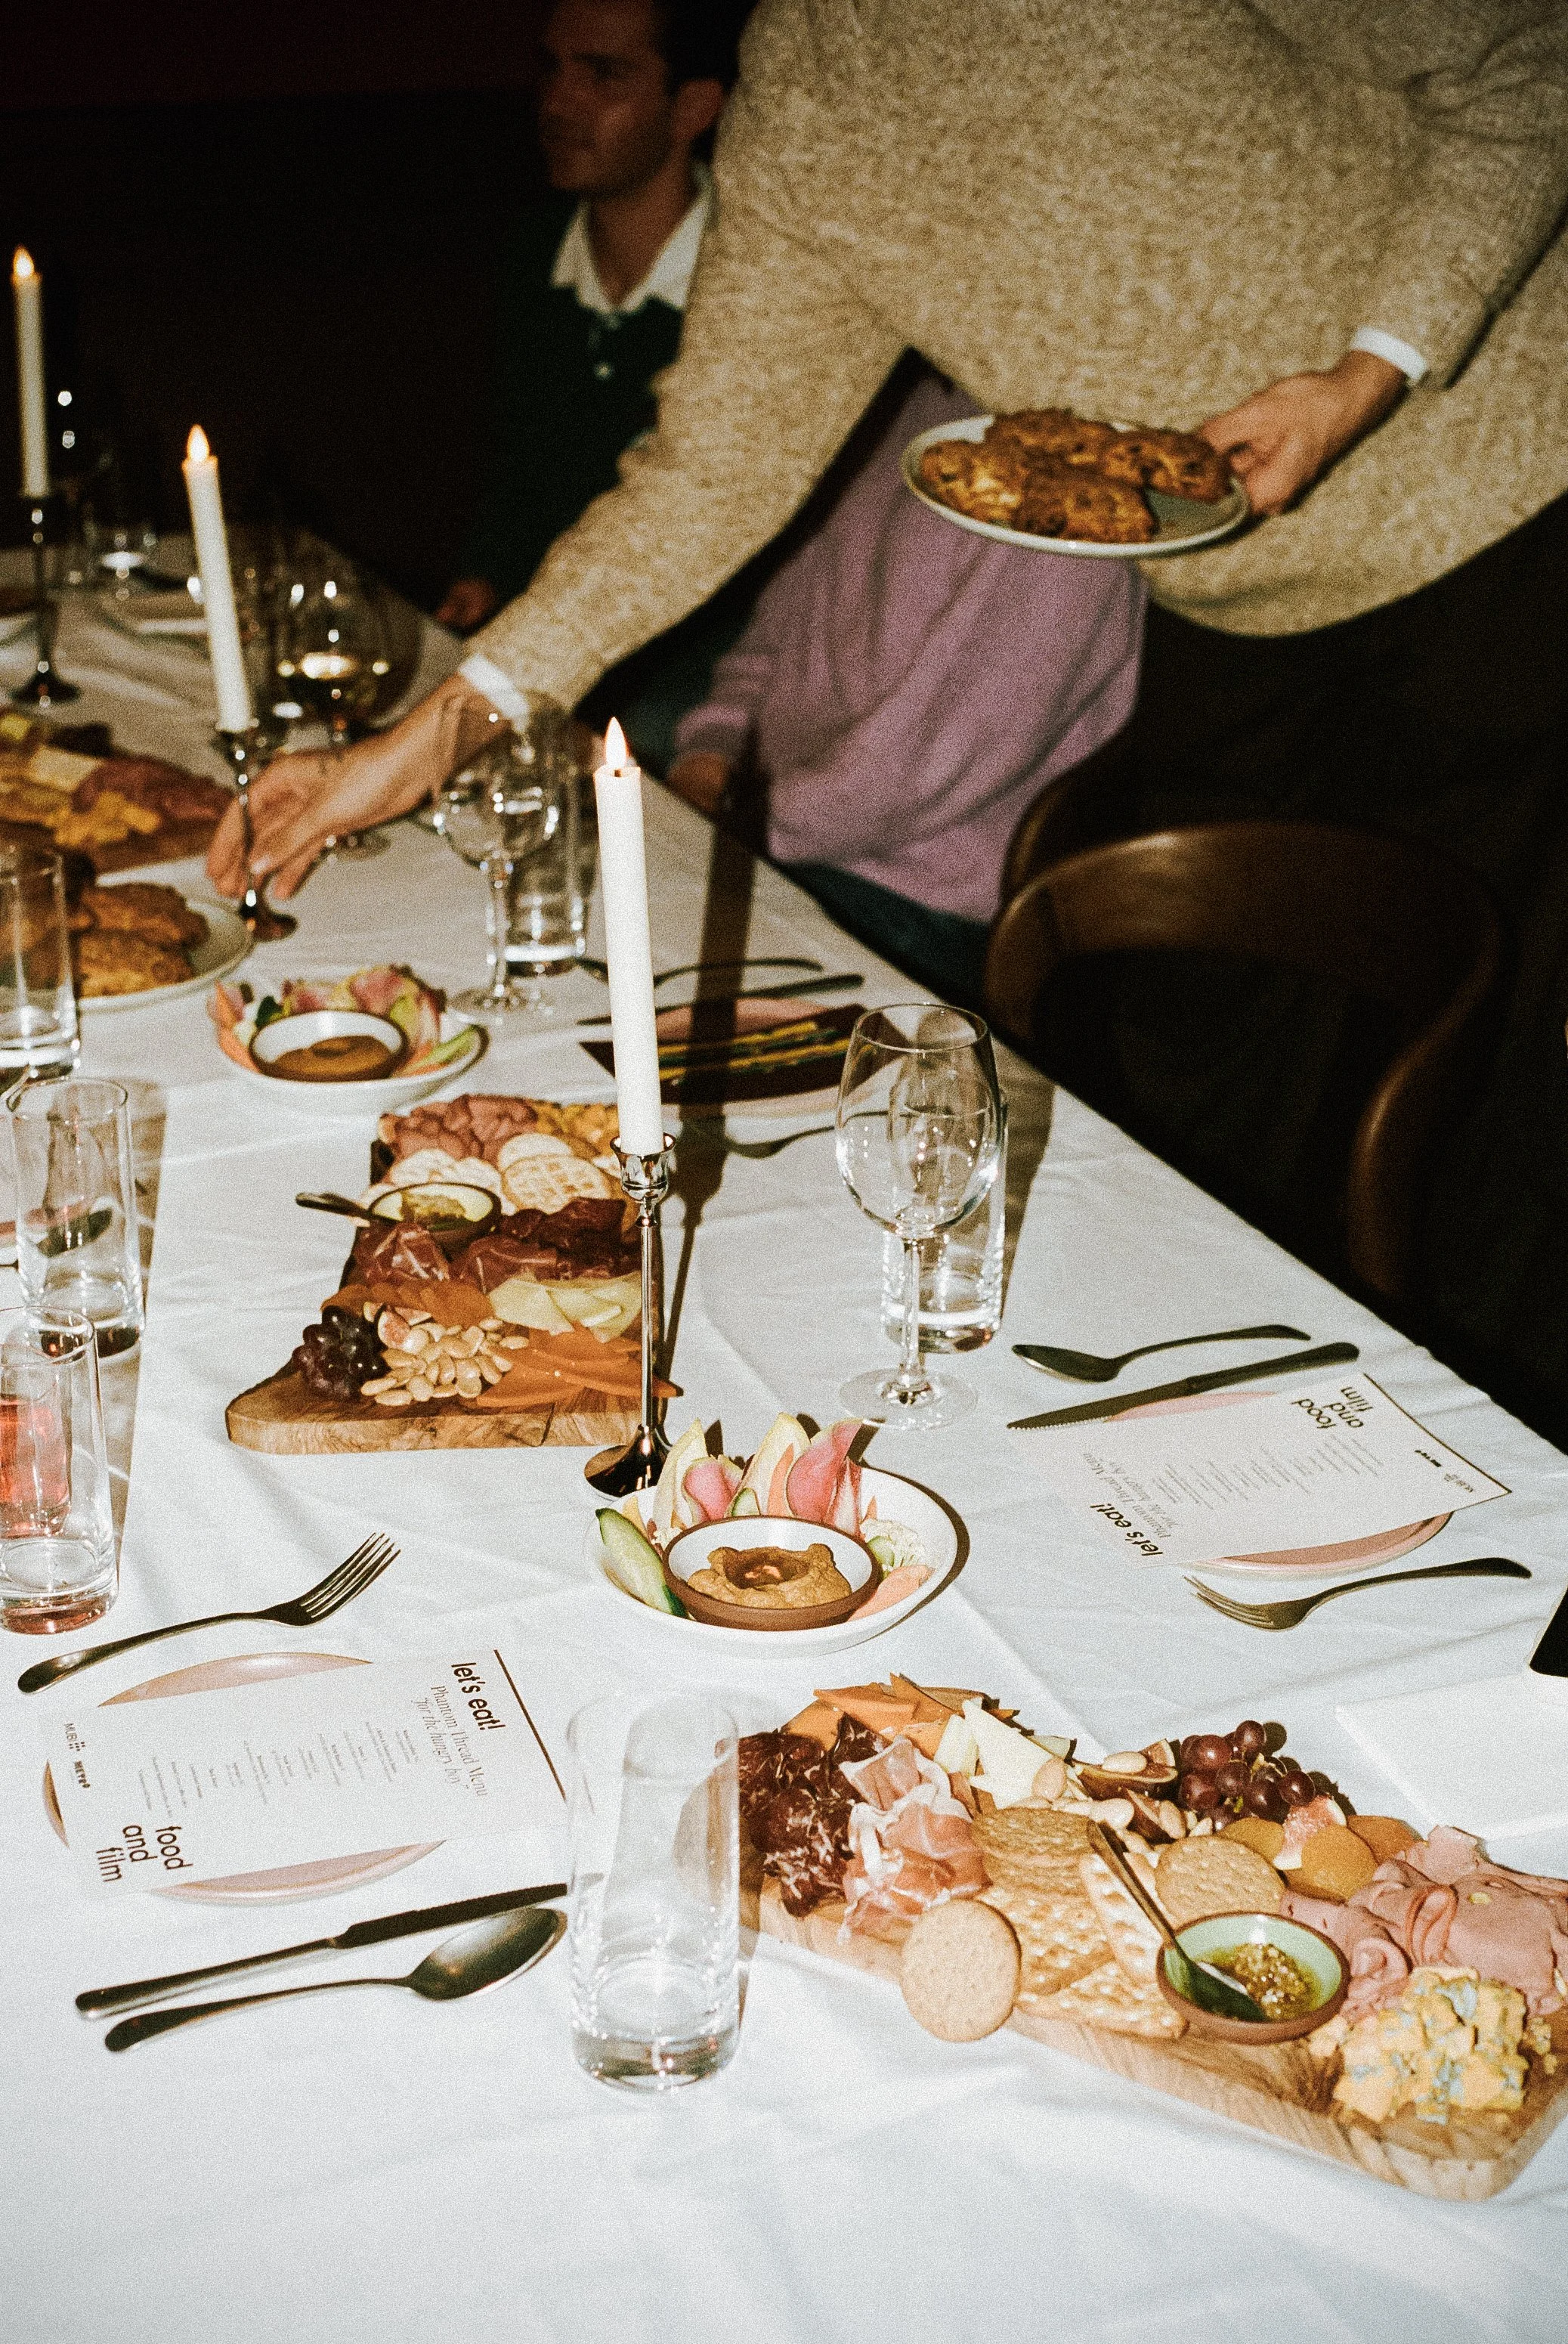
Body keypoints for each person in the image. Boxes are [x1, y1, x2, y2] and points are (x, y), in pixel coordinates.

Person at [210, 3, 1568, 1417]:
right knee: (1208, 1071)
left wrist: (1375, 366)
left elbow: (1533, 54)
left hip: (1514, 500)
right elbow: (706, 477)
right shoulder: (808, 90)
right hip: (1232, 592)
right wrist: (414, 747)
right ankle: (1248, 1446)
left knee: (1497, 1109)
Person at [664, 361, 1146, 1005]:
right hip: (778, 832)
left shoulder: (1070, 491)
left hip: (912, 896)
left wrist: (728, 828)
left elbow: (918, 773)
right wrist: (710, 753)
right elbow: (777, 634)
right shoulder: (908, 409)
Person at [436, 0, 756, 766]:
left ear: (695, 105)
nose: (557, 101)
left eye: (603, 75)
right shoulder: (535, 252)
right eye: (552, 68)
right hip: (551, 647)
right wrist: (484, 575)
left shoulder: (752, 283)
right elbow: (518, 469)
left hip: (700, 689)